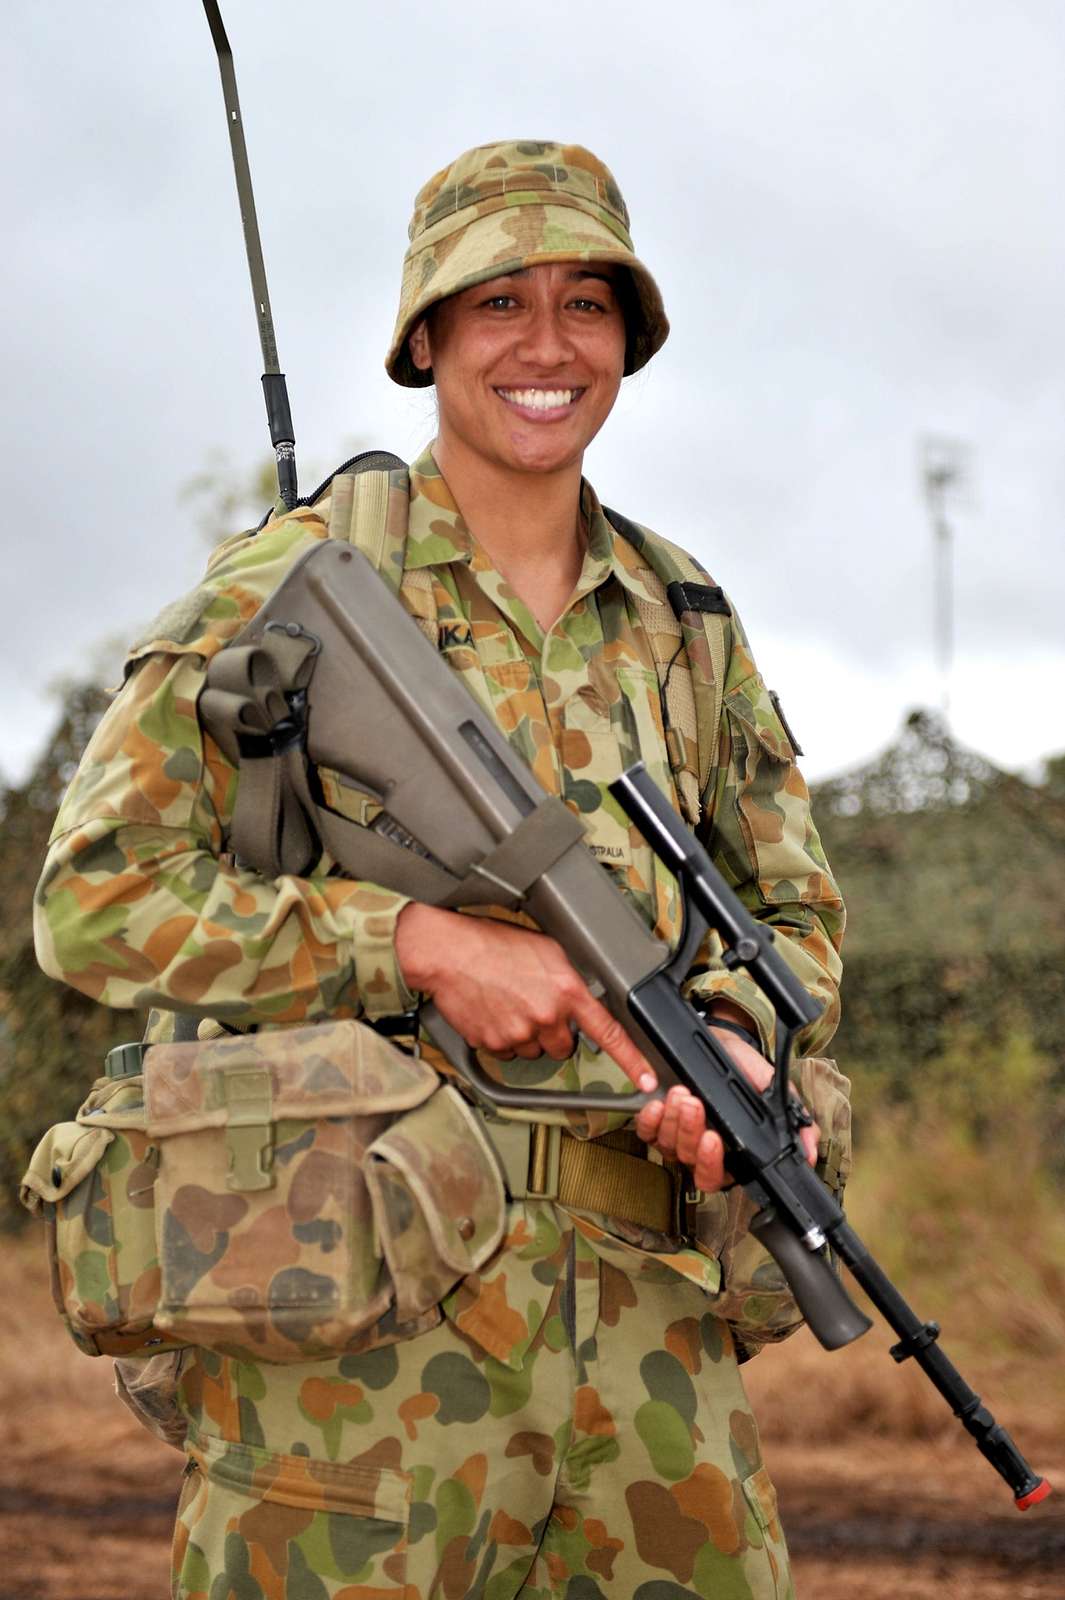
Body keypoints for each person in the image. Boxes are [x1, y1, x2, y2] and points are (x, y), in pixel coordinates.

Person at [35, 140, 848, 1599]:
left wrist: (732, 1032)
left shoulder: (682, 618)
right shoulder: (282, 591)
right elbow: (93, 897)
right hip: (364, 1331)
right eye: (499, 305)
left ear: (627, 344)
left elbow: (792, 917)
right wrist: (406, 943)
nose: (546, 347)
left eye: (586, 305)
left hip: (647, 1329)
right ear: (424, 338)